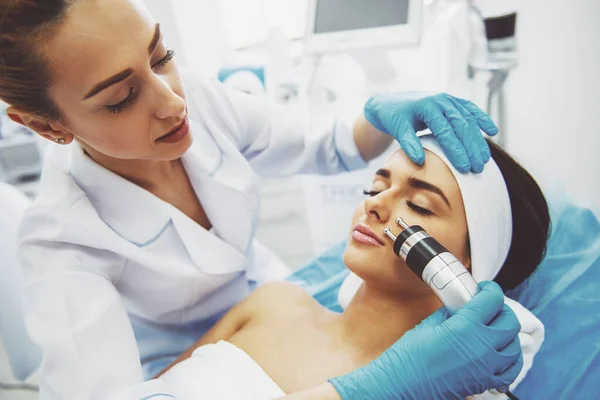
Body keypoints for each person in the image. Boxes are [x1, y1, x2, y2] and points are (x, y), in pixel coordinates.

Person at [0, 0, 521, 399]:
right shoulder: (61, 244)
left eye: (161, 55)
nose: (173, 100)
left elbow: (328, 143)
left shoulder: (281, 298)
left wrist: (374, 116)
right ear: (47, 126)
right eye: (122, 98)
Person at [154, 137, 549, 399]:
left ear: (466, 266)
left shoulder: (434, 390)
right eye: (375, 188)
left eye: (419, 206)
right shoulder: (275, 303)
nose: (374, 205)